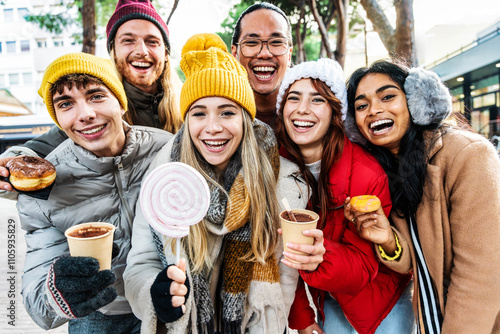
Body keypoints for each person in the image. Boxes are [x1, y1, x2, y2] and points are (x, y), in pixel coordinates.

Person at [123, 33, 308, 333]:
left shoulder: (282, 183)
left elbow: (284, 281)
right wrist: (154, 294)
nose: (213, 127)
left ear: (245, 119)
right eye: (199, 113)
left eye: (227, 112)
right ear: (187, 120)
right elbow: (140, 264)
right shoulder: (165, 177)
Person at [16, 52, 173, 332]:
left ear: (120, 103)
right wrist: (58, 294)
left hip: (165, 303)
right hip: (99, 316)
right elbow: (37, 303)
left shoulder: (168, 150)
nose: (85, 114)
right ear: (58, 118)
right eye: (66, 104)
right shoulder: (45, 188)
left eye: (96, 96)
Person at [344, 59, 500, 333]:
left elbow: (482, 275)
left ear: (417, 102)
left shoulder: (469, 154)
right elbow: (419, 265)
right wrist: (388, 240)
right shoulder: (390, 171)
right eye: (361, 105)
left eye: (388, 96)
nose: (374, 110)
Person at [274, 58, 414, 334]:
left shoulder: (366, 173)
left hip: (381, 302)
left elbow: (364, 265)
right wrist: (302, 318)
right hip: (326, 297)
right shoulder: (275, 165)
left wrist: (320, 256)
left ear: (336, 112)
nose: (302, 109)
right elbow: (281, 258)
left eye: (317, 100)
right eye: (293, 98)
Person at [0, 0, 182, 193]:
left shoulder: (188, 105)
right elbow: (49, 142)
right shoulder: (102, 106)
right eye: (128, 40)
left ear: (165, 52)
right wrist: (13, 160)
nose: (141, 51)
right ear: (113, 50)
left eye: (152, 41)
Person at [231, 2, 293, 129]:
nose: (265, 53)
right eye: (252, 42)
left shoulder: (310, 114)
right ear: (234, 53)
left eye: (276, 42)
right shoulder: (217, 115)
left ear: (289, 55)